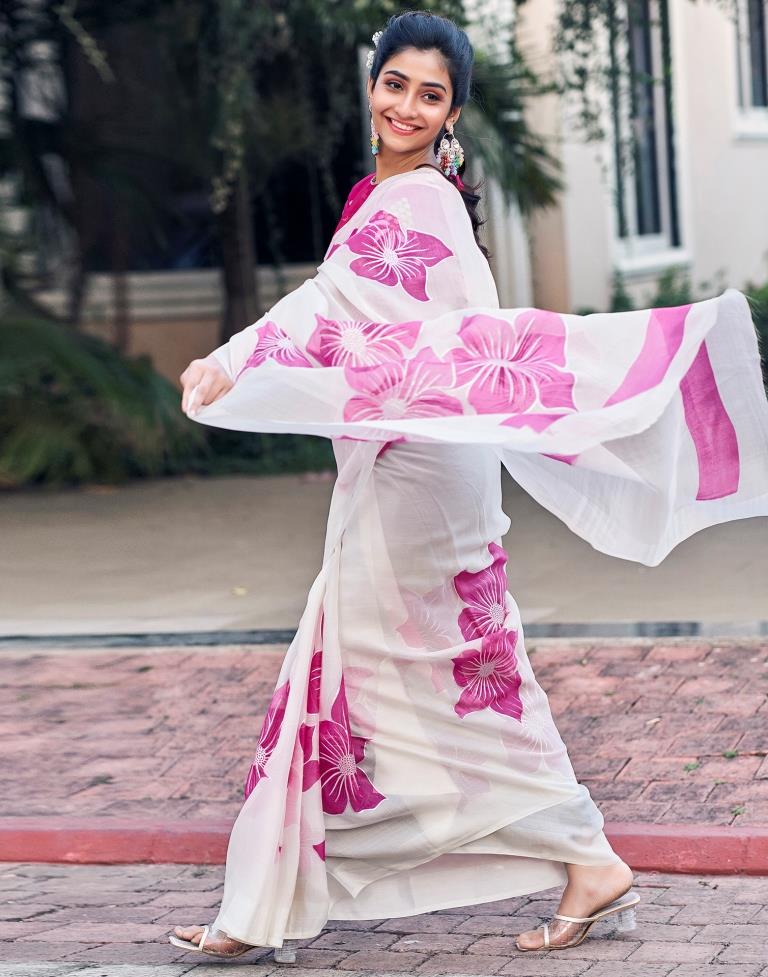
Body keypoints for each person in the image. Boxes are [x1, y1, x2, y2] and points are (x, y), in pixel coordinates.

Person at [169, 11, 768, 961]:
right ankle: (268, 900)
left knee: (423, 670)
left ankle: (581, 855)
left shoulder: (418, 208)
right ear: (371, 87)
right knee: (363, 666)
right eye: (395, 83)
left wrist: (235, 356)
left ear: (454, 113)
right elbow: (350, 317)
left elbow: (328, 309)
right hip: (407, 459)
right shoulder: (391, 196)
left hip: (420, 472)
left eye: (431, 94)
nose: (406, 105)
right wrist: (240, 358)